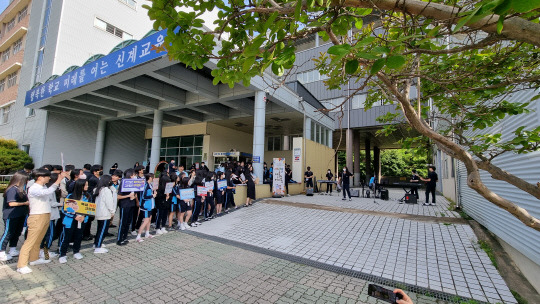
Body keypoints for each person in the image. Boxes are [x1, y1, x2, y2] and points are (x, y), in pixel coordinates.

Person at [17, 169, 65, 274]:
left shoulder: (43, 186)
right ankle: (21, 265)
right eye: (47, 176)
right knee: (30, 241)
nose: (49, 178)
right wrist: (59, 180)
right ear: (40, 177)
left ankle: (34, 259)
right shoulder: (34, 188)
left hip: (45, 214)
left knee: (39, 239)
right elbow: (46, 192)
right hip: (37, 216)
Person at [58, 179, 90, 263]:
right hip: (70, 221)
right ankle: (62, 254)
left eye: (87, 185)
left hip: (82, 220)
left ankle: (76, 251)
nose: (87, 187)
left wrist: (83, 215)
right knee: (66, 237)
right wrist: (74, 216)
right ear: (80, 186)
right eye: (85, 185)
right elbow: (65, 210)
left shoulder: (87, 196)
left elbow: (89, 208)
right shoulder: (70, 196)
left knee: (78, 236)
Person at [1, 172, 30, 261]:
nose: (27, 181)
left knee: (17, 232)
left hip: (20, 215)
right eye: (25, 180)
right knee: (8, 233)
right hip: (11, 215)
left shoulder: (21, 189)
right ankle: (1, 252)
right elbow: (11, 203)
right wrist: (25, 203)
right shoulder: (12, 190)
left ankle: (12, 249)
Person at [39, 173, 62, 260]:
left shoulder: (47, 189)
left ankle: (43, 251)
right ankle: (45, 252)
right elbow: (51, 203)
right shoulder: (49, 190)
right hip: (50, 215)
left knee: (48, 234)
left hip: (49, 215)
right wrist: (61, 204)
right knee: (50, 234)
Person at [94, 175, 116, 253]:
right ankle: (98, 247)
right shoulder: (106, 190)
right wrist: (112, 211)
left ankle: (96, 243)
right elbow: (109, 203)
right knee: (103, 230)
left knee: (99, 229)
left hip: (99, 212)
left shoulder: (98, 189)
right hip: (105, 213)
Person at [117, 169, 137, 246]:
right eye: (133, 175)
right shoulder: (124, 182)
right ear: (130, 175)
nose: (135, 176)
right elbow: (119, 196)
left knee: (128, 222)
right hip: (124, 205)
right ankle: (119, 239)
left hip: (131, 204)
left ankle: (124, 237)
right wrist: (128, 196)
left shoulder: (134, 183)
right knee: (123, 222)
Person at [136, 174, 156, 242]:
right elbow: (144, 197)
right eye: (153, 177)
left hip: (150, 205)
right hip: (146, 206)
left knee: (149, 220)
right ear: (150, 178)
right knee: (145, 221)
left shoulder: (150, 185)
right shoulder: (145, 185)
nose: (154, 178)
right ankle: (138, 236)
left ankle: (147, 233)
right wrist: (152, 195)